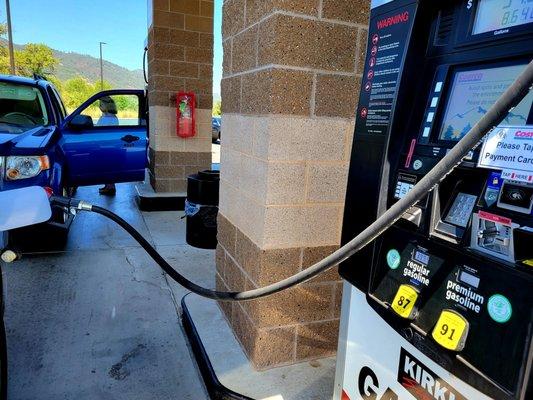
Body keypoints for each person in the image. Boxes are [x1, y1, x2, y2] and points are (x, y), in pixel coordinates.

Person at [96, 96, 119, 196]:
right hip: (109, 147)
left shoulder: (107, 118)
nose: (99, 106)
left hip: (107, 147)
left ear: (106, 106)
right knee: (108, 167)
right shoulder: (112, 117)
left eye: (101, 104)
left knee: (107, 167)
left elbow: (100, 130)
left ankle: (110, 187)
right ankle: (108, 186)